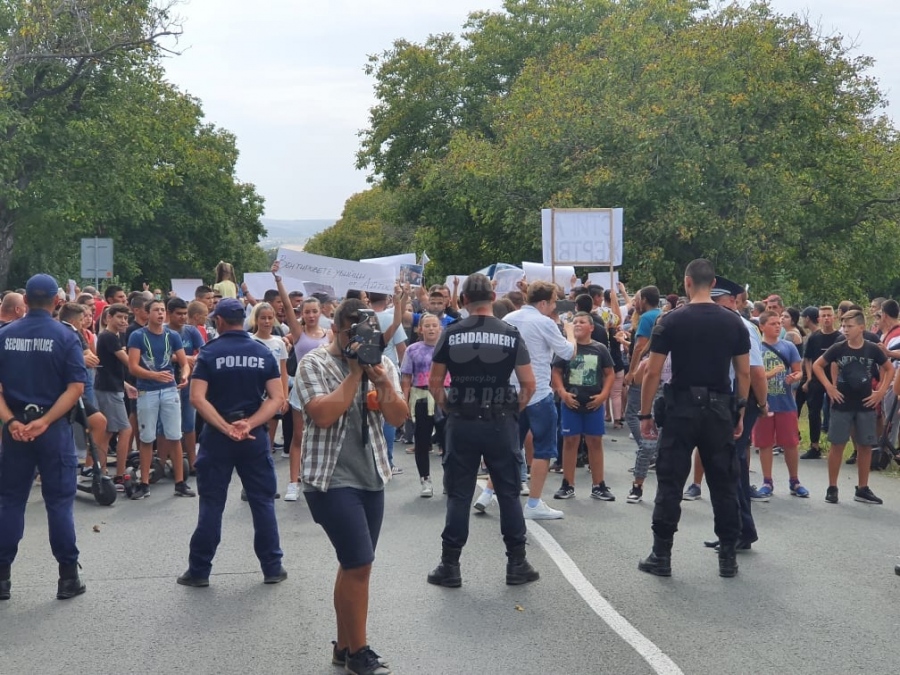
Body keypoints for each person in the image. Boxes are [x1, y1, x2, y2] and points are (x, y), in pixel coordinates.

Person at [294, 298, 408, 675]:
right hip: (328, 479)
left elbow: (398, 417)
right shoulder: (313, 363)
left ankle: (343, 646)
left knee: (354, 565)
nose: (359, 340)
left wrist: (381, 380)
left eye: (367, 333)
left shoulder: (383, 364)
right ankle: (359, 652)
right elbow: (322, 415)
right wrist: (355, 375)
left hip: (371, 475)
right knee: (359, 561)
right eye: (352, 333)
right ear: (337, 330)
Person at [637, 259, 750, 578]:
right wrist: (739, 410)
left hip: (681, 408)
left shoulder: (671, 321)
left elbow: (653, 371)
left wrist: (645, 413)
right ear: (712, 283)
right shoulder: (734, 322)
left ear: (687, 282)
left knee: (671, 482)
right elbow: (743, 372)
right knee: (724, 483)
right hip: (719, 410)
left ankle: (662, 556)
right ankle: (728, 557)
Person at [426, 273, 539, 589]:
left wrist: (449, 407)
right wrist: (513, 410)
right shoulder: (510, 333)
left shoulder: (451, 333)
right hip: (500, 419)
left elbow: (435, 383)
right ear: (492, 298)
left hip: (462, 419)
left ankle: (450, 565)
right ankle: (517, 562)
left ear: (462, 301)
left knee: (459, 493)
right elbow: (529, 384)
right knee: (508, 492)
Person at [178, 298, 287, 587]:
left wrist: (226, 427)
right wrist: (250, 423)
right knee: (262, 503)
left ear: (221, 321)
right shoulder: (262, 352)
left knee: (212, 504)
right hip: (253, 436)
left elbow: (196, 398)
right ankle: (272, 567)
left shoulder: (209, 353)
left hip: (217, 436)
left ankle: (199, 570)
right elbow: (277, 398)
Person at [0, 274, 88, 600]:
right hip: (53, 430)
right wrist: (47, 421)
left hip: (15, 431)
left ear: (24, 303)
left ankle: (2, 578)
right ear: (57, 301)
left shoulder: (5, 335)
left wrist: (11, 422)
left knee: (10, 502)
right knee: (59, 504)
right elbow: (76, 388)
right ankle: (67, 577)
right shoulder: (65, 337)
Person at [812, 309, 893, 504]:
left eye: (850, 326)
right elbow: (817, 365)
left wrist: (881, 392)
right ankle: (832, 487)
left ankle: (863, 487)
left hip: (865, 403)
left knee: (865, 445)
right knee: (837, 444)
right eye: (844, 326)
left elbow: (888, 368)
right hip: (842, 403)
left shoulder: (872, 348)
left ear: (861, 327)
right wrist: (830, 388)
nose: (846, 330)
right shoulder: (839, 348)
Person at [127, 298, 195, 499]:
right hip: (147, 391)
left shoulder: (172, 335)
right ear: (147, 314)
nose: (160, 314)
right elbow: (133, 366)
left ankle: (180, 483)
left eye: (162, 310)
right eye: (156, 310)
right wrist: (154, 375)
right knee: (147, 437)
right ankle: (145, 483)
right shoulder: (137, 336)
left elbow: (184, 362)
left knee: (175, 435)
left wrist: (184, 374)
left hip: (169, 390)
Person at [551, 311, 616, 500]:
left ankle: (599, 484)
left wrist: (603, 395)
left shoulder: (600, 349)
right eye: (575, 322)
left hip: (593, 403)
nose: (577, 324)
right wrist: (562, 393)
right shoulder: (567, 348)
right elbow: (556, 371)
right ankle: (567, 484)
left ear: (591, 328)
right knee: (570, 441)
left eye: (581, 322)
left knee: (594, 441)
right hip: (571, 402)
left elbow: (610, 373)